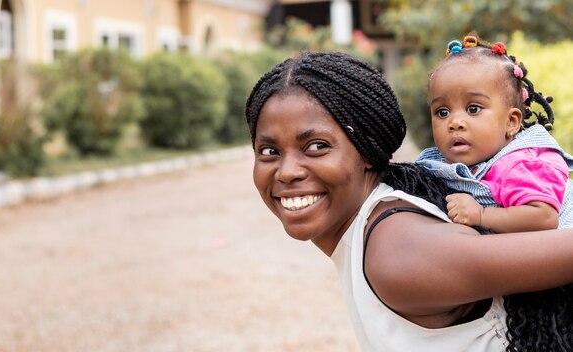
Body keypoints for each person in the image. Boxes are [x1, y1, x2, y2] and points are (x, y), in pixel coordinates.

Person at [245, 50, 573, 352]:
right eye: (269, 151)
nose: (286, 172)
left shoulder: (396, 253)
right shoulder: (375, 232)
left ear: (367, 151)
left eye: (316, 146)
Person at [416, 33, 573, 234]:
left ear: (511, 122)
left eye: (473, 109)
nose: (454, 123)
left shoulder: (517, 164)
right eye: (442, 112)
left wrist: (482, 214)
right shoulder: (438, 164)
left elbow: (544, 217)